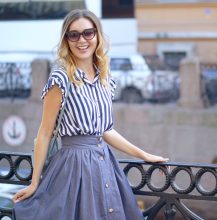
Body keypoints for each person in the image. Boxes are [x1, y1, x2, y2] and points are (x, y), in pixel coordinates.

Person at [12, 9, 168, 220]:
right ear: (66, 40)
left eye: (88, 33)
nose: (81, 40)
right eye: (73, 35)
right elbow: (45, 133)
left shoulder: (104, 79)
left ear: (97, 36)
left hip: (105, 165)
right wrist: (34, 182)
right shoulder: (60, 79)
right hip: (73, 169)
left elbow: (106, 131)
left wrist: (145, 155)